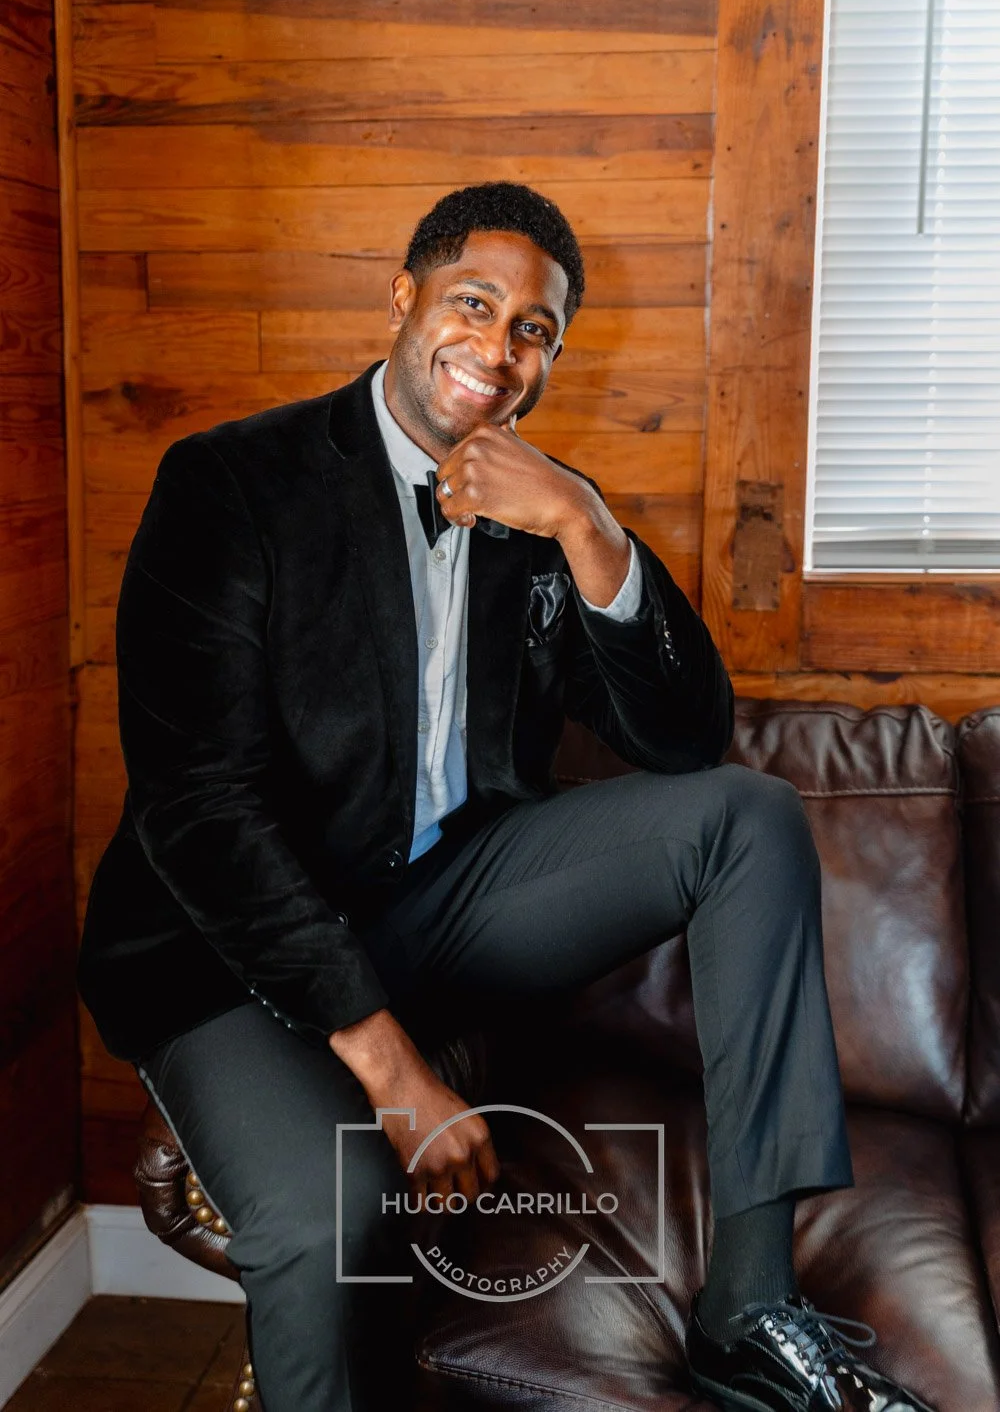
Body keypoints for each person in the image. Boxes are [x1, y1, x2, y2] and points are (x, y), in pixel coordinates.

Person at [78, 182, 933, 1412]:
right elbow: (198, 812)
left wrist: (590, 531)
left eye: (534, 329)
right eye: (474, 304)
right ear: (403, 300)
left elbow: (685, 741)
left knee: (747, 818)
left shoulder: (539, 505)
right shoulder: (229, 489)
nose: (497, 346)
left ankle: (749, 1306)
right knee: (335, 1224)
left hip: (435, 902)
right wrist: (393, 1073)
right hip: (226, 951)